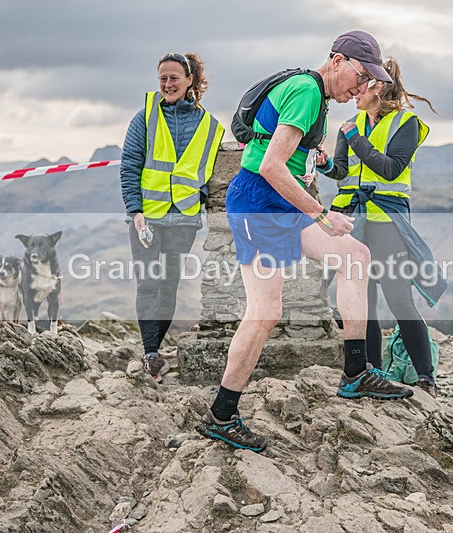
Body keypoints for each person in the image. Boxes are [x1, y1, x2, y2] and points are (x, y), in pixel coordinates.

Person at [197, 31, 414, 453]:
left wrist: (317, 163)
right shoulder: (306, 90)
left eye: (370, 79)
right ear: (337, 60)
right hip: (260, 200)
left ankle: (355, 372)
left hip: (281, 201)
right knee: (265, 312)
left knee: (355, 255)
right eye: (360, 74)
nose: (363, 85)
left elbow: (287, 156)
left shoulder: (315, 94)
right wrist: (321, 214)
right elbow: (273, 165)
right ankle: (222, 414)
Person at [316, 57, 440, 395]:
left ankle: (426, 377)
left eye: (363, 83)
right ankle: (371, 372)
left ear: (379, 85)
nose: (355, 91)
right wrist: (327, 164)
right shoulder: (350, 124)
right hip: (353, 221)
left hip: (387, 222)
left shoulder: (406, 123)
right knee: (361, 300)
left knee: (399, 298)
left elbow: (390, 169)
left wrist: (356, 138)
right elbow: (342, 171)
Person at [120, 52, 224, 382]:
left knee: (169, 286)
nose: (167, 84)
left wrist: (200, 201)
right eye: (162, 78)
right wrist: (134, 211)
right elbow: (129, 167)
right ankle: (151, 352)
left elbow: (209, 173)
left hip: (183, 220)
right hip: (147, 219)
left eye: (174, 78)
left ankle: (154, 348)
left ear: (190, 80)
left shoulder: (210, 126)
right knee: (148, 282)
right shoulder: (145, 118)